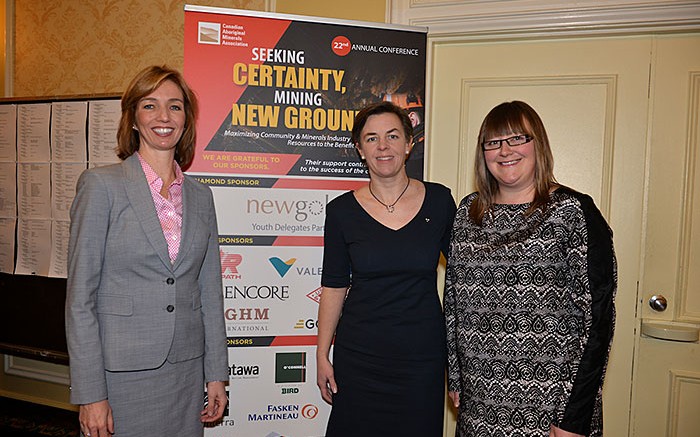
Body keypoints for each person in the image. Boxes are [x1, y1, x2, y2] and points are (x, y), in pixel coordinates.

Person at [65, 65, 229, 437]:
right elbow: (80, 300)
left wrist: (217, 373)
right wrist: (90, 394)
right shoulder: (101, 186)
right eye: (150, 105)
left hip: (187, 373)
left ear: (186, 119)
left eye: (175, 106)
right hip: (120, 375)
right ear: (134, 119)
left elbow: (210, 292)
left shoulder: (201, 197)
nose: (163, 117)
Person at [444, 100, 616, 437]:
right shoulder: (468, 211)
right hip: (479, 402)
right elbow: (454, 302)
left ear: (538, 143)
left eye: (517, 138)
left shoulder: (572, 211)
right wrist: (456, 376)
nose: (504, 150)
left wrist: (574, 417)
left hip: (553, 405)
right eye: (493, 142)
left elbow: (597, 320)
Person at [316, 101, 456, 436]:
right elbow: (334, 286)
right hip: (359, 358)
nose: (383, 146)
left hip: (422, 359)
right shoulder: (341, 212)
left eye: (392, 136)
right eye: (371, 138)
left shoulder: (440, 202)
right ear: (360, 149)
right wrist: (322, 354)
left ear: (409, 143)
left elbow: (464, 278)